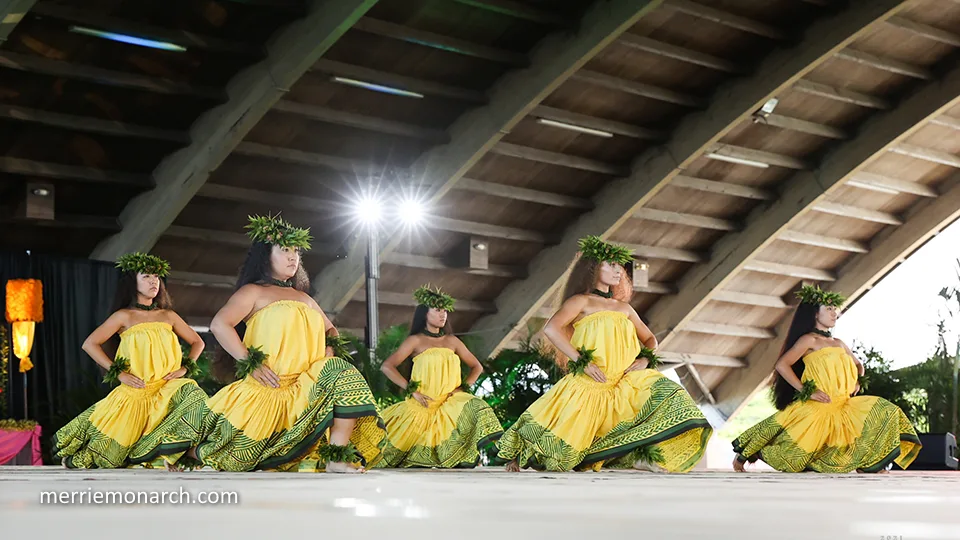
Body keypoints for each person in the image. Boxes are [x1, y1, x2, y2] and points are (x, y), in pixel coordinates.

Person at [498, 236, 712, 472]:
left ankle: (642, 456)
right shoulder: (581, 302)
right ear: (592, 268)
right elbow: (551, 328)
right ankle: (519, 457)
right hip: (593, 380)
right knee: (561, 445)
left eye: (619, 266)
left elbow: (651, 339)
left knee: (670, 394)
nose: (618, 271)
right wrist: (581, 362)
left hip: (625, 380)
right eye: (610, 264)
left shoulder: (625, 308)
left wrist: (644, 359)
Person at [194, 214, 384, 473]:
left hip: (307, 387)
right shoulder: (253, 292)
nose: (293, 257)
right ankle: (191, 451)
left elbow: (330, 329)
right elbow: (220, 324)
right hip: (269, 388)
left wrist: (330, 350)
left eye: (296, 251)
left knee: (343, 373)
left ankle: (336, 458)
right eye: (285, 250)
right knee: (234, 458)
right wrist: (249, 362)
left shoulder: (303, 298)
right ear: (265, 256)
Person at [732, 285, 921, 473]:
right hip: (820, 405)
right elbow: (782, 365)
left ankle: (870, 464)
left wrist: (857, 381)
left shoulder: (838, 343)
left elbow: (859, 365)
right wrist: (807, 391)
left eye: (834, 309)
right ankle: (754, 453)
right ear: (815, 314)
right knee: (794, 459)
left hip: (843, 404)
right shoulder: (809, 340)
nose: (834, 313)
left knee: (886, 411)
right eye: (828, 309)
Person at [54, 253, 208, 469]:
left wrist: (185, 368)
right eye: (146, 276)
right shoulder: (123, 316)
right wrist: (119, 373)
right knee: (109, 457)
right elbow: (90, 344)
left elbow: (197, 342)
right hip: (138, 390)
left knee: (193, 394)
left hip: (168, 387)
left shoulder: (168, 315)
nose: (154, 281)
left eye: (156, 277)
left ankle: (171, 455)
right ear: (132, 282)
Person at [377, 286, 503, 468]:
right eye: (437, 310)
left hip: (449, 406)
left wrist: (462, 388)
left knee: (478, 407)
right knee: (391, 455)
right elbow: (387, 366)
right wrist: (412, 391)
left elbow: (477, 367)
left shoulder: (452, 341)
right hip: (423, 405)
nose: (443, 314)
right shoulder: (416, 341)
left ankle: (507, 454)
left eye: (445, 311)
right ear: (425, 314)